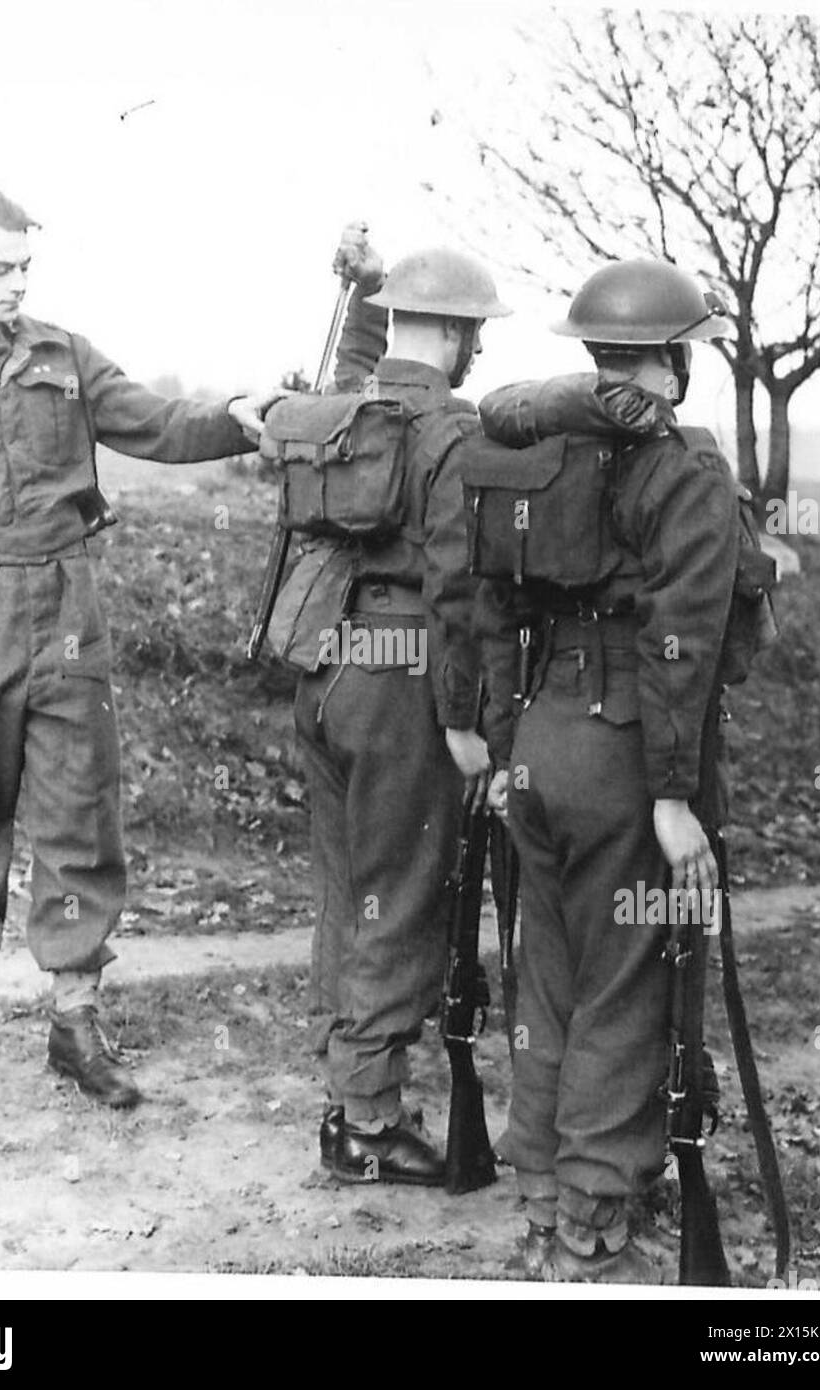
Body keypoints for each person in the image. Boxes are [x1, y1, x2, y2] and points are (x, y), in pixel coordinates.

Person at [0, 185, 281, 1107]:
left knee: (76, 810)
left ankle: (74, 1020)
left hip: (64, 609)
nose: (22, 281)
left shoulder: (65, 355)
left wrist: (238, 415)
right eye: (3, 267)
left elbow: (157, 422)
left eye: (28, 265)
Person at [476, 259, 739, 1279]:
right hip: (627, 752)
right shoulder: (685, 470)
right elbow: (684, 640)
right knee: (628, 985)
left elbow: (483, 611)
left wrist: (501, 747)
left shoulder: (524, 460)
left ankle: (543, 1198)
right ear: (672, 356)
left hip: (541, 742)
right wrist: (673, 798)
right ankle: (590, 1221)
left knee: (549, 976)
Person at [272, 225, 510, 1184]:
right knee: (401, 902)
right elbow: (457, 591)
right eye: (475, 333)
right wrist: (464, 723)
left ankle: (351, 1095)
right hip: (404, 681)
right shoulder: (455, 433)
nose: (478, 349)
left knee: (348, 891)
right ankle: (369, 1126)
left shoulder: (340, 411)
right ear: (453, 335)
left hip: (324, 673)